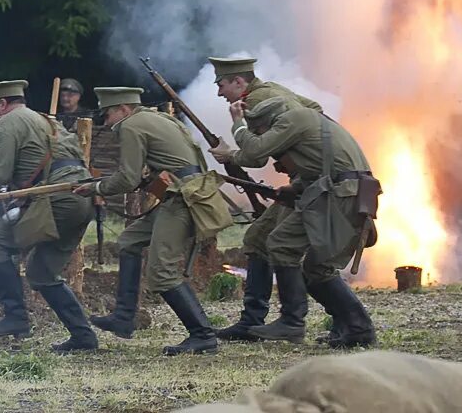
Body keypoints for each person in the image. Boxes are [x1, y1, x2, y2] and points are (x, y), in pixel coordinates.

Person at [210, 96, 378, 347]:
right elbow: (321, 164)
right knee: (315, 268)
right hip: (340, 191)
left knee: (279, 243)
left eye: (261, 130)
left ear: (270, 123)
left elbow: (255, 151)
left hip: (340, 193)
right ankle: (359, 330)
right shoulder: (306, 120)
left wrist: (238, 126)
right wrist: (295, 187)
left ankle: (292, 322)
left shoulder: (294, 118)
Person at [75, 86, 229, 355]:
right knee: (129, 241)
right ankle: (124, 318)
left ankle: (203, 335)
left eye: (109, 114)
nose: (107, 122)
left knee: (162, 272)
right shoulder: (160, 117)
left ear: (124, 109)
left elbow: (127, 178)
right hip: (183, 192)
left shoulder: (131, 125)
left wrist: (96, 188)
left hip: (183, 197)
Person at [0, 80, 97, 352]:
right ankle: (84, 338)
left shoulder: (8, 122)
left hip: (56, 198)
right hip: (81, 199)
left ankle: (15, 317)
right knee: (41, 272)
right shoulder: (43, 119)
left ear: (3, 104)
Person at [207, 56, 324, 342]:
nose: (219, 92)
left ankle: (292, 322)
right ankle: (252, 322)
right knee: (258, 238)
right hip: (307, 178)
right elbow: (315, 110)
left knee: (280, 246)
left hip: (312, 183)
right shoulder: (271, 89)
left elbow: (256, 156)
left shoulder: (256, 101)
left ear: (238, 82)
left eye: (222, 85)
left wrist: (229, 153)